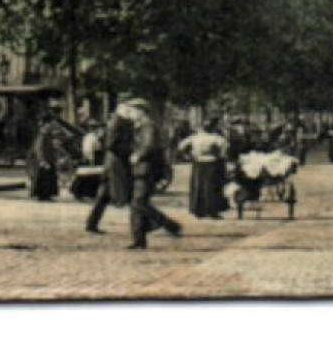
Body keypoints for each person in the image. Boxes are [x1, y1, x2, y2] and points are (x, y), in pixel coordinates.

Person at [126, 98, 182, 249]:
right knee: (137, 204)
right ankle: (139, 239)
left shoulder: (148, 126)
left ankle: (169, 224)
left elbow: (149, 145)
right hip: (140, 168)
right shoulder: (141, 126)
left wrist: (138, 155)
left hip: (146, 168)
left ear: (140, 111)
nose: (130, 114)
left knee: (138, 203)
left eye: (131, 111)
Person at [85, 102, 135, 235]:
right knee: (132, 194)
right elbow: (112, 144)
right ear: (122, 109)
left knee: (103, 195)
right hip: (116, 163)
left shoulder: (118, 122)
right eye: (128, 109)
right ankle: (153, 223)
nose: (130, 113)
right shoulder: (117, 123)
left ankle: (91, 223)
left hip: (112, 163)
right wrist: (130, 151)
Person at [177, 119, 230, 219]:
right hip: (211, 162)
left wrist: (187, 155)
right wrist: (221, 155)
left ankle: (198, 210)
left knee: (198, 187)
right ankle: (212, 211)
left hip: (198, 163)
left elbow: (181, 146)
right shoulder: (215, 138)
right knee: (211, 187)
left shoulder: (195, 137)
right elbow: (225, 146)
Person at [27, 109, 63, 201]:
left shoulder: (48, 134)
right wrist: (42, 160)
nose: (51, 125)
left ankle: (48, 194)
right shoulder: (42, 134)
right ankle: (42, 194)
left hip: (50, 158)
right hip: (44, 159)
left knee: (49, 177)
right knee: (43, 177)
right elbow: (38, 148)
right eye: (50, 123)